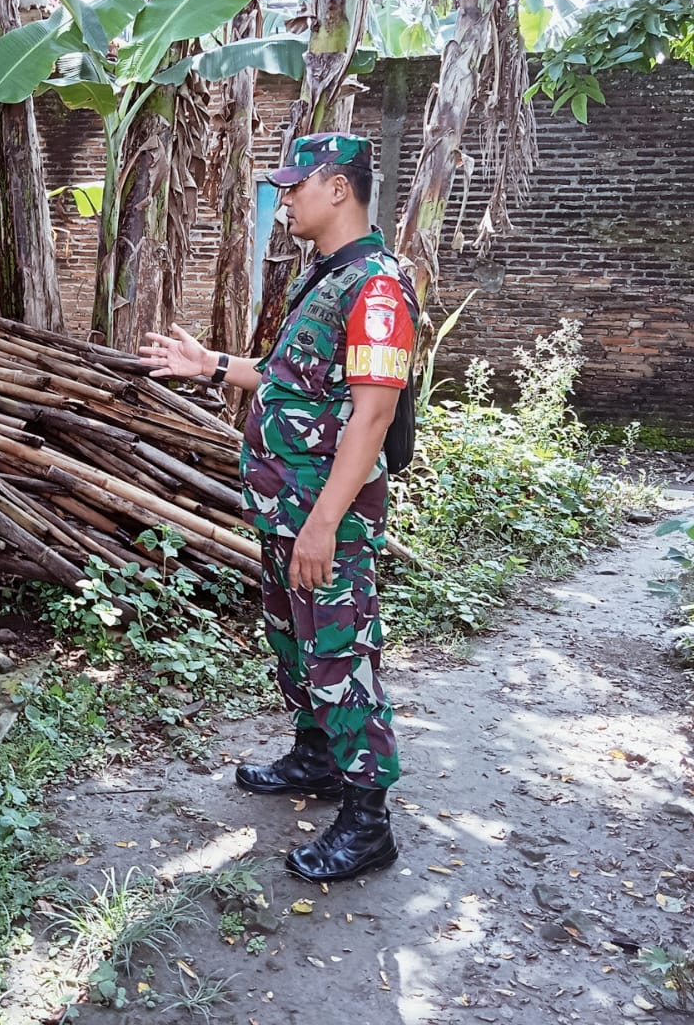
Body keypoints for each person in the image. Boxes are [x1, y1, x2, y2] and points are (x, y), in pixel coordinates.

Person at [139, 133, 417, 881]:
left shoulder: (376, 287)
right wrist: (215, 366)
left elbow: (370, 416)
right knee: (295, 643)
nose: (285, 199)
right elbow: (291, 379)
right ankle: (317, 756)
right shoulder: (329, 277)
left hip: (325, 513)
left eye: (295, 187)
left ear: (337, 189)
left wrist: (325, 521)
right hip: (283, 505)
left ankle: (367, 821)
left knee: (339, 652)